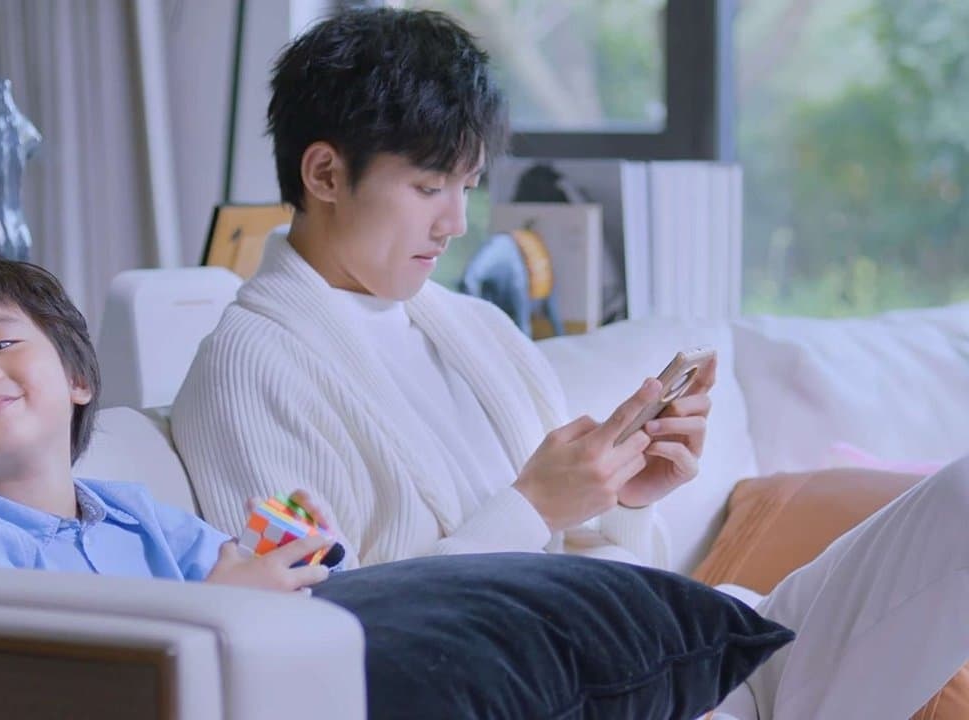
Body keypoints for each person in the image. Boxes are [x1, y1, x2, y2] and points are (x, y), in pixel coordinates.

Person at [170, 8, 969, 718]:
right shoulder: (250, 370)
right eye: (428, 187)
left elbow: (597, 573)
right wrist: (532, 506)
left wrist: (621, 499)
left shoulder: (475, 328)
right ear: (324, 174)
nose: (455, 223)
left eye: (467, 185)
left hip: (681, 659)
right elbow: (338, 647)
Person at [0, 252, 336, 593]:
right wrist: (224, 606)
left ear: (77, 379)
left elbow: (235, 569)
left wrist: (293, 549)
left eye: (0, 345)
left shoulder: (136, 512)